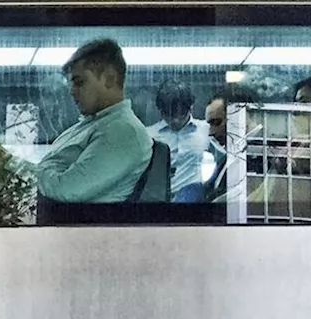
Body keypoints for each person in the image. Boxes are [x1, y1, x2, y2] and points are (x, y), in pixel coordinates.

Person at [24, 38, 152, 203]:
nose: (71, 91)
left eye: (79, 82)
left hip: (79, 224)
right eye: (71, 84)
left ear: (109, 79)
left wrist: (33, 172)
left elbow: (66, 190)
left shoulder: (123, 131)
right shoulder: (89, 125)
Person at [147, 79, 211, 203]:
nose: (174, 120)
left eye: (180, 113)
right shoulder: (149, 135)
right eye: (168, 114)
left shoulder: (206, 130)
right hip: (157, 202)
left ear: (191, 107)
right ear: (160, 110)